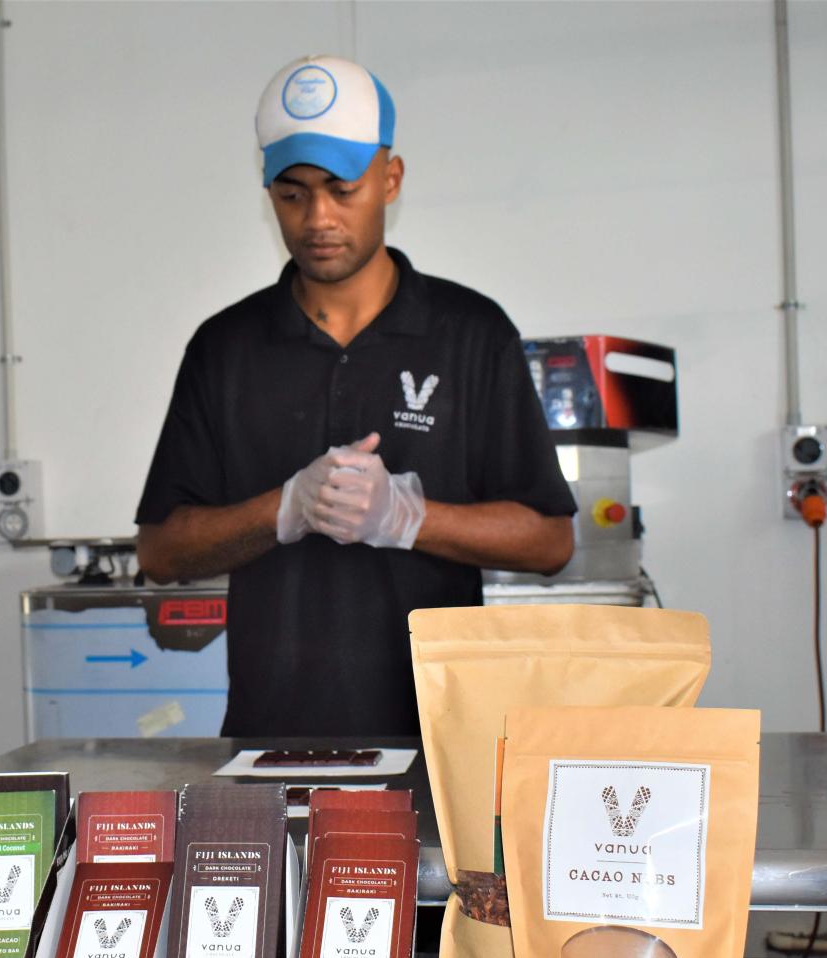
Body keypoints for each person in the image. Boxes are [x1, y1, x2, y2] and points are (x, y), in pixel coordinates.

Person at [134, 55, 575, 740]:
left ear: (390, 178)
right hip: (268, 742)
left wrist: (406, 517)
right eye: (291, 193)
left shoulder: (470, 334)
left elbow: (549, 540)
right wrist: (282, 509)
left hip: (440, 742)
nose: (317, 218)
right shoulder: (226, 347)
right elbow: (160, 552)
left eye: (342, 188)